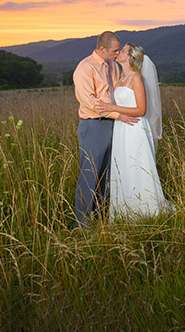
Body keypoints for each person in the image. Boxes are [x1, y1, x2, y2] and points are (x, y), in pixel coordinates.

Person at [94, 43, 174, 220]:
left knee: (136, 165)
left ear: (130, 57)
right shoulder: (121, 78)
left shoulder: (136, 78)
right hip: (121, 128)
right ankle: (125, 210)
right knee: (123, 166)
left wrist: (112, 107)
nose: (119, 52)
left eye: (122, 50)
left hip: (135, 128)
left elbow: (141, 109)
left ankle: (146, 209)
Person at [72, 31, 139, 227]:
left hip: (115, 125)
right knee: (89, 174)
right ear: (102, 49)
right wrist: (119, 115)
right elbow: (91, 103)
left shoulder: (113, 66)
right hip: (94, 125)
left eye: (119, 50)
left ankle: (101, 218)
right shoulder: (85, 68)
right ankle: (82, 224)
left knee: (108, 174)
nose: (117, 53)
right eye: (114, 50)